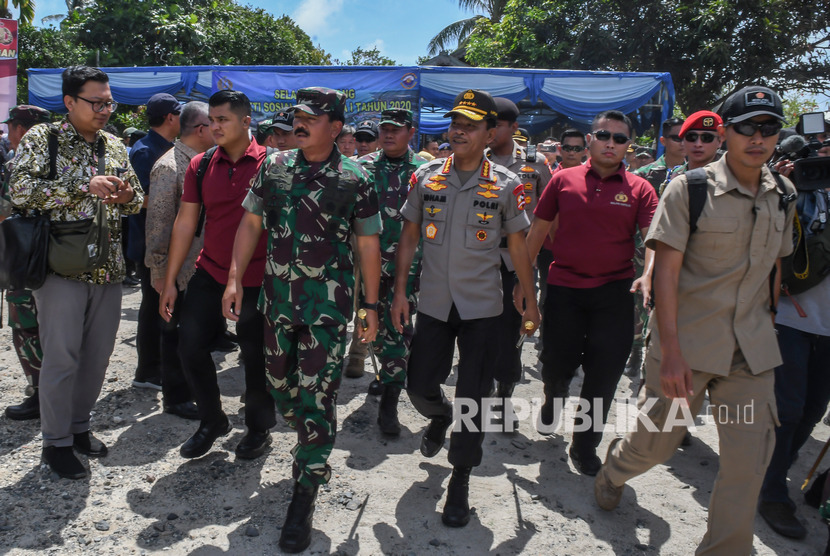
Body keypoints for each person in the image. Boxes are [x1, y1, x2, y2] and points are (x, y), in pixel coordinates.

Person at [595, 86, 795, 555]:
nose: (758, 138)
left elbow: (775, 266)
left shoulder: (782, 194)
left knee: (748, 466)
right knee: (657, 445)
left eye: (769, 128)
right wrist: (669, 353)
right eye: (747, 127)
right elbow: (664, 274)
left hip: (752, 352)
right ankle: (615, 469)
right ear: (726, 132)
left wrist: (769, 319)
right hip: (689, 345)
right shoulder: (692, 188)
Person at [222, 86, 381, 553]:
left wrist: (370, 306)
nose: (300, 123)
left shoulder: (355, 177)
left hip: (327, 311)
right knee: (279, 387)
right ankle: (306, 429)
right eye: (297, 115)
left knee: (318, 393)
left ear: (335, 127)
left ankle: (305, 488)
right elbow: (251, 223)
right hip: (277, 301)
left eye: (312, 117)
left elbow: (368, 244)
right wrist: (234, 279)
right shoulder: (273, 167)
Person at [391, 89, 540, 528]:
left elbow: (518, 247)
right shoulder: (427, 177)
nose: (458, 130)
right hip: (435, 303)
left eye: (470, 125)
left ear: (490, 133)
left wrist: (530, 300)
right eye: (456, 122)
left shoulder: (507, 185)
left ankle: (460, 478)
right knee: (418, 385)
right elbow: (409, 238)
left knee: (473, 394)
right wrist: (400, 291)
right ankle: (439, 416)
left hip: (483, 307)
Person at [9, 65, 144, 479]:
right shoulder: (43, 138)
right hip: (58, 269)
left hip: (107, 268)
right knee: (61, 359)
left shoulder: (114, 145)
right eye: (96, 102)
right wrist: (81, 188)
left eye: (109, 101)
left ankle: (79, 426)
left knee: (97, 359)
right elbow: (18, 191)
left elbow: (136, 198)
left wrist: (124, 194)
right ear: (69, 102)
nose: (105, 109)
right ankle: (56, 443)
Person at [522, 110, 658, 476]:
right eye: (604, 135)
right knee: (555, 362)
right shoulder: (562, 180)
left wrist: (648, 274)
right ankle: (553, 394)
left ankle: (584, 446)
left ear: (629, 146)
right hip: (564, 288)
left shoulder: (641, 189)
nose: (611, 143)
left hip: (614, 294)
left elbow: (654, 239)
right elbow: (537, 231)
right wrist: (522, 284)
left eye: (619, 138)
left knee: (603, 375)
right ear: (590, 140)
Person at [159, 90, 276, 461]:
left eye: (223, 120)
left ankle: (258, 427)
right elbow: (185, 221)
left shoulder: (274, 164)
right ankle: (212, 420)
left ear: (246, 122)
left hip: (259, 278)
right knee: (189, 344)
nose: (214, 127)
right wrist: (170, 279)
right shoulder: (202, 164)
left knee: (255, 355)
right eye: (211, 120)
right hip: (210, 271)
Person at [758, 126, 830, 540]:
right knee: (786, 409)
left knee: (812, 411)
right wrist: (779, 181)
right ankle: (770, 493)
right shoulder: (794, 187)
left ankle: (775, 472)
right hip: (790, 318)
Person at [342, 108, 428, 433]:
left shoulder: (424, 170)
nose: (388, 134)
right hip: (368, 267)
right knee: (370, 325)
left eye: (396, 129)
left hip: (409, 268)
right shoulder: (361, 167)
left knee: (400, 328)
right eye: (384, 129)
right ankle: (384, 373)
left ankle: (389, 401)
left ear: (411, 131)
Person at [144, 101, 215, 421]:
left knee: (193, 335)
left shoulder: (204, 163)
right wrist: (161, 273)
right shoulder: (170, 166)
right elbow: (158, 226)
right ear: (201, 129)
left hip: (200, 269)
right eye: (214, 123)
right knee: (173, 334)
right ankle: (176, 397)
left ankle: (190, 391)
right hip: (178, 271)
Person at [484, 97, 551, 432]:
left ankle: (504, 392)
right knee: (477, 327)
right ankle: (477, 391)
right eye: (488, 123)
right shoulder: (471, 159)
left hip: (516, 262)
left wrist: (530, 267)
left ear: (513, 127)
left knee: (512, 329)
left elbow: (544, 217)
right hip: (478, 260)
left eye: (497, 124)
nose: (491, 130)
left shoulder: (535, 164)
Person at [1, 105, 52, 421]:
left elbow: (4, 210)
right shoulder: (65, 160)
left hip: (25, 260)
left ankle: (39, 393)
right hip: (60, 257)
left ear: (20, 129)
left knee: (26, 325)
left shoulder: (21, 163)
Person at [129, 93, 182, 391]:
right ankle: (147, 370)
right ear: (170, 118)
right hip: (149, 243)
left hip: (165, 240)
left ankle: (158, 363)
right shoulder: (145, 151)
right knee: (152, 306)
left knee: (162, 304)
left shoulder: (164, 147)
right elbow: (138, 199)